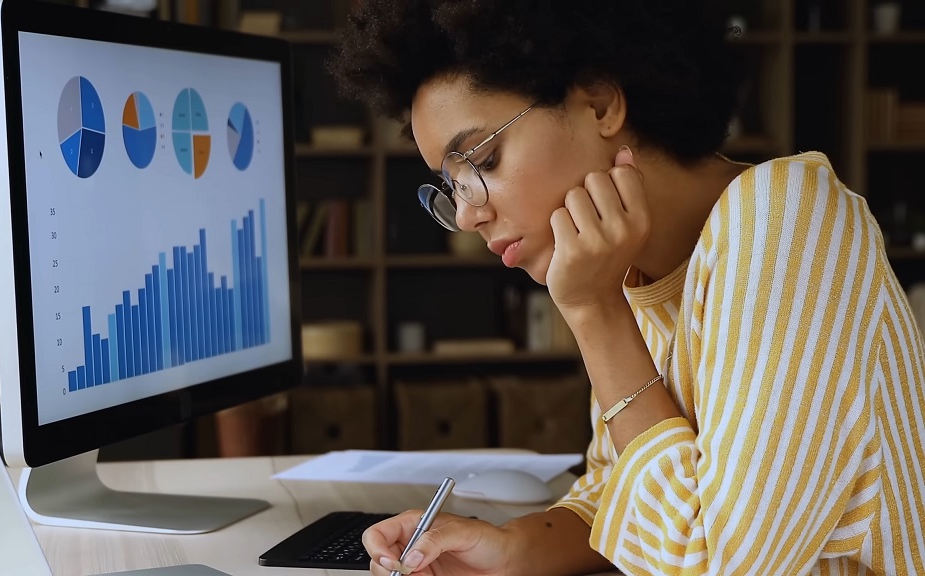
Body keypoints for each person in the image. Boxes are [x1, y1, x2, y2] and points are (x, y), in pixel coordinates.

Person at [327, 1, 925, 575]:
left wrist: (594, 312)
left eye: (481, 160)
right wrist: (508, 549)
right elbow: (621, 495)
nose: (465, 215)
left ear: (599, 104)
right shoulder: (634, 268)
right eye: (450, 185)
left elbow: (712, 563)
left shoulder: (790, 222)